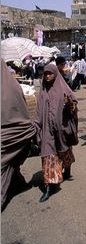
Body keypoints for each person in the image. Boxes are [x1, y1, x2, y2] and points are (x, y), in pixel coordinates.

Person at [35, 63, 78, 203]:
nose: (47, 76)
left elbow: (74, 104)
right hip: (47, 128)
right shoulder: (42, 89)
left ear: (55, 74)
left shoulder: (63, 86)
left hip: (62, 128)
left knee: (63, 151)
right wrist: (36, 125)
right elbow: (38, 110)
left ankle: (67, 167)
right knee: (48, 156)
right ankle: (49, 186)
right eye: (45, 73)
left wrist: (70, 104)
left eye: (50, 73)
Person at [1, 59, 37, 211]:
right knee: (10, 163)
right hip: (19, 133)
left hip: (7, 136)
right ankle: (17, 183)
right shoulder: (14, 86)